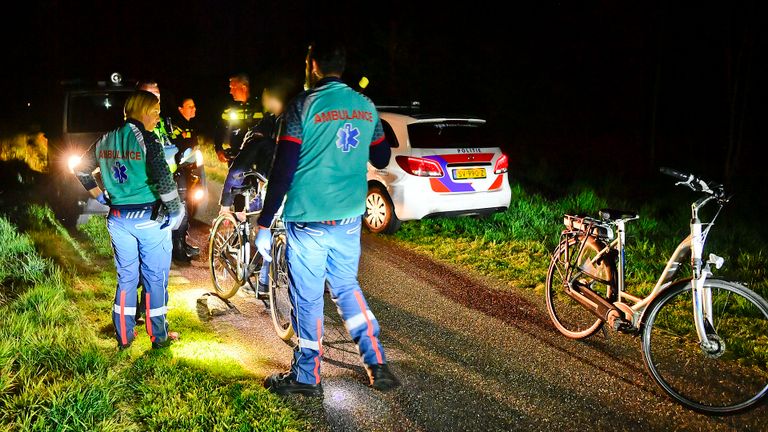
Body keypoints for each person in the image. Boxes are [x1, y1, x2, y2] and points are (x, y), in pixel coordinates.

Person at [256, 40, 399, 396]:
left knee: (307, 298)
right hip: (349, 218)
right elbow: (382, 158)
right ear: (342, 66)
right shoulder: (365, 106)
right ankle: (376, 361)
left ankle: (307, 376)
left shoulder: (303, 105)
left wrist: (264, 221)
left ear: (313, 65)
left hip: (308, 218)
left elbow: (283, 167)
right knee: (347, 288)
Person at [72, 90, 183, 349]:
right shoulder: (148, 140)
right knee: (155, 279)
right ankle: (159, 336)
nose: (157, 118)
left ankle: (124, 336)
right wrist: (175, 210)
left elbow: (80, 168)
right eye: (155, 112)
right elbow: (163, 180)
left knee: (127, 278)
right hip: (148, 219)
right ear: (143, 111)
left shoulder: (105, 140)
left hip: (119, 219)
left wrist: (99, 195)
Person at [219, 78, 296, 299]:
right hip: (265, 183)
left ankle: (264, 281)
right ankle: (260, 278)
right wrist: (226, 201)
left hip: (277, 185)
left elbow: (240, 167)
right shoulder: (269, 130)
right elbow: (240, 167)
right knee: (263, 226)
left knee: (273, 231)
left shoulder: (280, 124)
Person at [138, 80, 195, 262]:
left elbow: (174, 139)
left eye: (158, 95)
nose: (156, 99)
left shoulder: (162, 121)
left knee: (180, 209)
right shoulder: (136, 124)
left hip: (169, 175)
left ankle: (177, 246)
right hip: (147, 181)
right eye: (151, 94)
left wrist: (184, 150)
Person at [214, 73, 263, 164]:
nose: (230, 91)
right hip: (236, 158)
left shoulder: (260, 107)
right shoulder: (230, 109)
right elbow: (220, 129)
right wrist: (218, 149)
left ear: (244, 88)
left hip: (257, 158)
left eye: (233, 88)